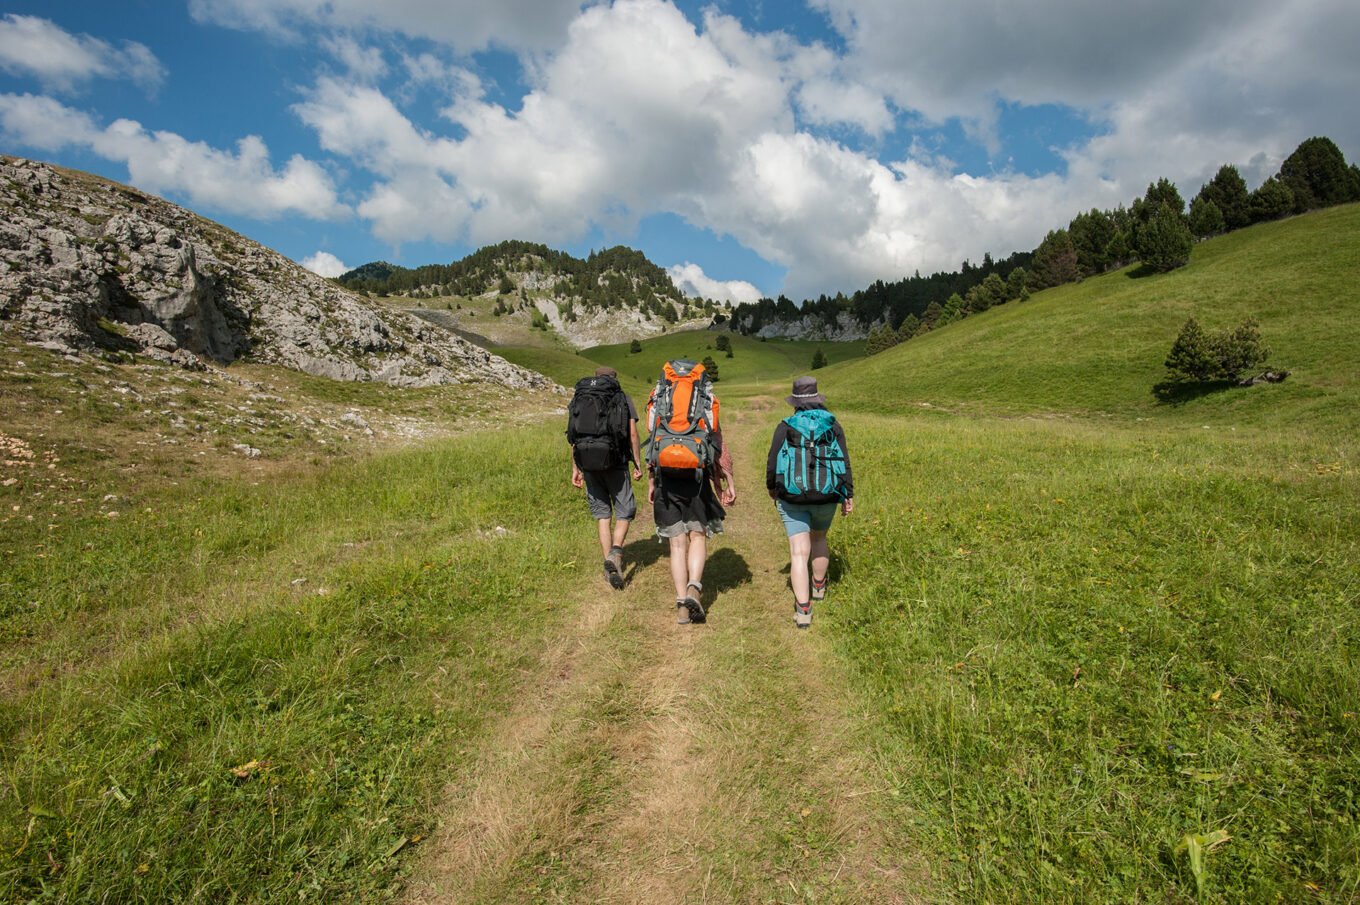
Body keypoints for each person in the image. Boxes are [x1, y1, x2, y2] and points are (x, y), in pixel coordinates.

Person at [645, 360, 737, 624]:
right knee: (697, 536)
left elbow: (653, 439)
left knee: (676, 543)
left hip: (666, 475)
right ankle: (694, 588)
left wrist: (652, 480)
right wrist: (728, 480)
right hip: (696, 476)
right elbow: (717, 440)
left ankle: (681, 606)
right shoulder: (705, 395)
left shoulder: (660, 393)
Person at [766, 376, 854, 628]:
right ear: (817, 399)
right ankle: (819, 587)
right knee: (819, 539)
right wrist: (848, 494)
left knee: (798, 551)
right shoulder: (833, 425)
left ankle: (803, 610)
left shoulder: (785, 426)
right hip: (828, 495)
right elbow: (844, 461)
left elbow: (773, 460)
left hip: (792, 496)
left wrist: (772, 488)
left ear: (795, 401)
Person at [569, 366, 643, 589]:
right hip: (615, 462)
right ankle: (615, 553)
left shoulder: (581, 397)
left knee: (602, 515)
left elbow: (573, 434)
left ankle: (607, 564)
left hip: (587, 461)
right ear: (614, 379)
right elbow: (632, 433)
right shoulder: (622, 397)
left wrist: (576, 467)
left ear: (595, 377)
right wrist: (637, 462)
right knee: (625, 510)